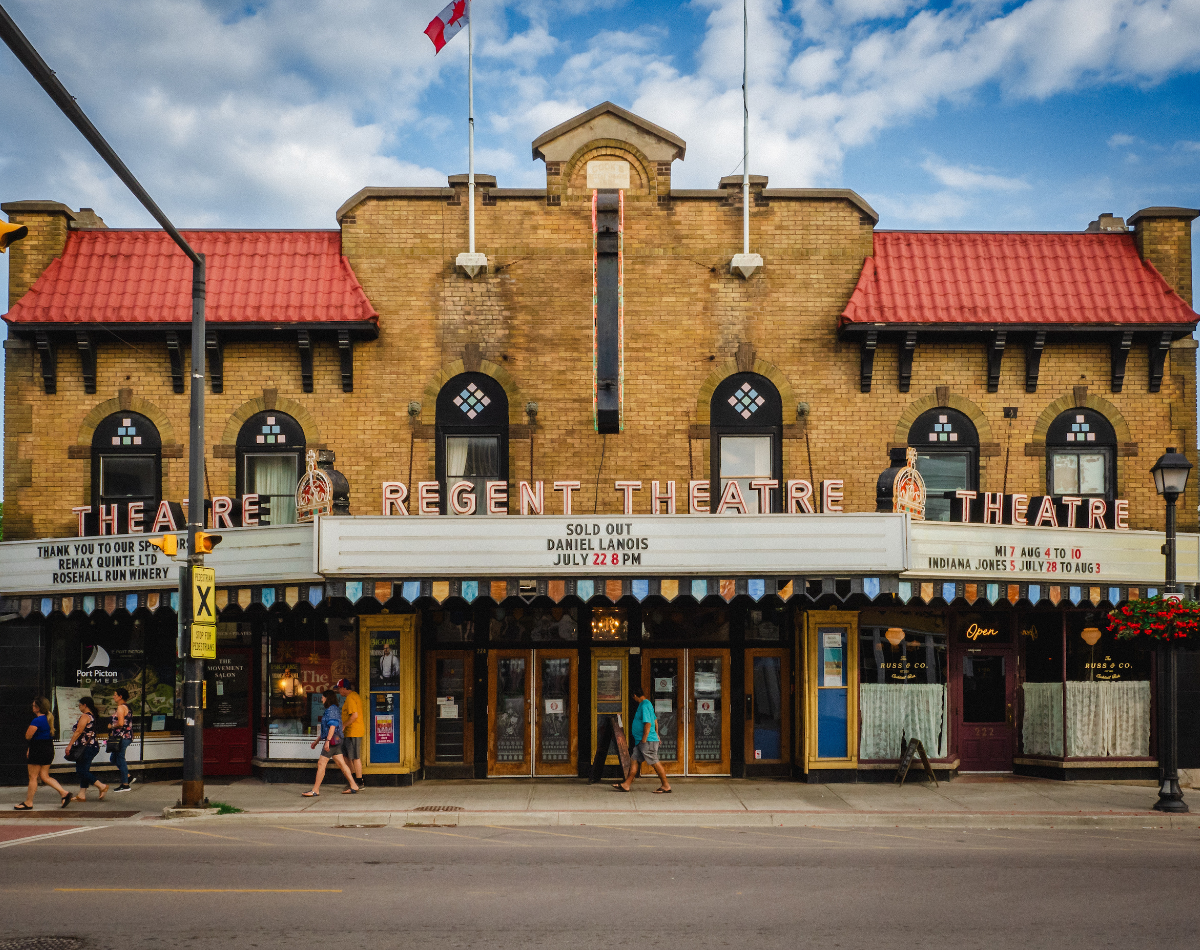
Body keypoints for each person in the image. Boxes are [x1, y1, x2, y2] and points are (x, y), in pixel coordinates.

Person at [14, 697, 71, 810]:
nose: (32, 707)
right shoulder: (48, 719)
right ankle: (64, 793)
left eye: (34, 705)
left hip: (38, 750)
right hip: (48, 749)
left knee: (33, 776)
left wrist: (30, 747)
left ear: (38, 708)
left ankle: (28, 802)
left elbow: (28, 736)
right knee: (44, 776)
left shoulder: (37, 720)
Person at [614, 685, 671, 794]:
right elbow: (655, 720)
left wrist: (644, 739)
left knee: (654, 762)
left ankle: (666, 785)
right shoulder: (647, 703)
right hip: (642, 740)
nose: (633, 699)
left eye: (633, 697)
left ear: (634, 695)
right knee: (634, 760)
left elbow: (648, 723)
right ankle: (626, 785)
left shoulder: (644, 705)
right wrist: (657, 734)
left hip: (646, 740)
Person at [303, 690, 359, 797]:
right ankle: (353, 785)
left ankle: (315, 790)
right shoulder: (333, 709)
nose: (321, 699)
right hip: (336, 740)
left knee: (321, 763)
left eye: (323, 697)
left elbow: (332, 727)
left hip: (332, 741)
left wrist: (327, 742)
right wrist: (317, 741)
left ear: (327, 698)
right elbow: (327, 729)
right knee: (341, 763)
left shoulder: (331, 710)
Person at [66, 697, 109, 802]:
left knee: (81, 771)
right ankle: (82, 794)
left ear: (85, 705)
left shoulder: (85, 716)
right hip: (91, 746)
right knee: (84, 770)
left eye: (80, 705)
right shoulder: (92, 716)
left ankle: (101, 786)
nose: (79, 707)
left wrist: (70, 745)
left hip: (86, 747)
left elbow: (79, 731)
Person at [335, 678, 365, 791]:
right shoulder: (352, 697)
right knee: (347, 756)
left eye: (339, 688)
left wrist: (344, 725)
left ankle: (359, 781)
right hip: (350, 732)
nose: (338, 691)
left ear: (344, 688)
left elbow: (354, 715)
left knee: (355, 757)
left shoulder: (351, 698)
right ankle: (352, 779)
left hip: (354, 732)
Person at [108, 687, 134, 792]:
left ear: (120, 696)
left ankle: (125, 784)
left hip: (122, 737)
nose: (113, 697)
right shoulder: (127, 707)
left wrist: (111, 726)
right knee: (113, 759)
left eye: (115, 695)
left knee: (120, 759)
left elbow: (121, 723)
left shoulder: (120, 708)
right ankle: (127, 776)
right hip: (125, 736)